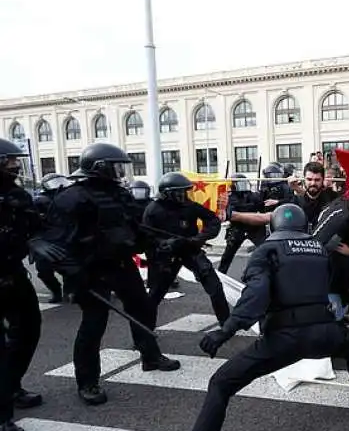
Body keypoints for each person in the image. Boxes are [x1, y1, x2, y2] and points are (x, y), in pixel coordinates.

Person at [155, 204, 349, 431]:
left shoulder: (266, 251)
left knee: (220, 383)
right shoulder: (318, 250)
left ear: (274, 226)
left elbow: (254, 300)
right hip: (325, 331)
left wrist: (224, 332)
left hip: (284, 339)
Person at [35, 143, 180, 405]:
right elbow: (55, 243)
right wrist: (73, 275)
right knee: (94, 324)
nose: (120, 172)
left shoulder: (118, 194)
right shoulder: (72, 197)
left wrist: (156, 243)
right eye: (116, 166)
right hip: (90, 270)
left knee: (143, 308)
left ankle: (150, 356)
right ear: (100, 168)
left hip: (121, 264)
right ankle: (88, 382)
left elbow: (134, 227)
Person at [0, 139, 50, 431]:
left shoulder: (17, 195)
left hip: (12, 274)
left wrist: (41, 241)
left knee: (30, 329)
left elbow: (36, 227)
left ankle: (11, 386)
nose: (14, 166)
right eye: (7, 161)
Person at [144, 172, 230, 327]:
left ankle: (226, 323)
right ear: (169, 194)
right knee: (155, 294)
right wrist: (163, 244)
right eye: (181, 192)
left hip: (191, 250)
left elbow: (213, 221)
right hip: (167, 256)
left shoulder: (189, 206)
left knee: (214, 285)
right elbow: (146, 237)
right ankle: (145, 333)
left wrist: (200, 238)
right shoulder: (153, 210)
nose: (185, 195)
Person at [32, 173, 73, 303]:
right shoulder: (41, 200)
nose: (59, 185)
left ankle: (69, 291)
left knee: (70, 269)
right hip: (46, 241)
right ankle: (56, 291)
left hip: (66, 239)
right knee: (43, 270)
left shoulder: (72, 198)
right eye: (54, 183)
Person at [218, 174, 266, 274]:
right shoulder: (230, 197)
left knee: (265, 250)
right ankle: (221, 273)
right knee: (228, 254)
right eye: (240, 184)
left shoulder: (253, 195)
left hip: (254, 227)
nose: (243, 186)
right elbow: (230, 211)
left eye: (244, 183)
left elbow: (261, 207)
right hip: (238, 227)